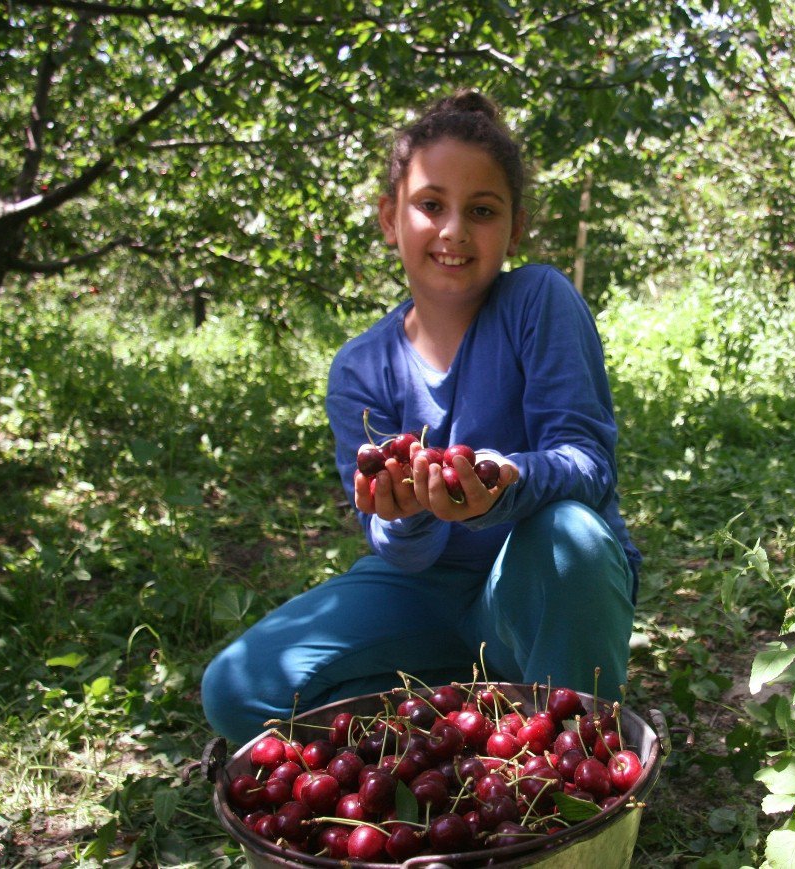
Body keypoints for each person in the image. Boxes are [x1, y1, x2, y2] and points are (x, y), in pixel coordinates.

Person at [201, 90, 641, 744]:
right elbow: (393, 546)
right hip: (423, 592)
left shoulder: (538, 301)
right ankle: (459, 721)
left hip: (537, 586)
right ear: (390, 218)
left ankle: (565, 751)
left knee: (571, 534)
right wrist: (405, 513)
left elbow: (586, 460)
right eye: (430, 205)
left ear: (515, 228)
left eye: (482, 211)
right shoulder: (361, 368)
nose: (454, 230)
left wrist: (503, 481)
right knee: (239, 689)